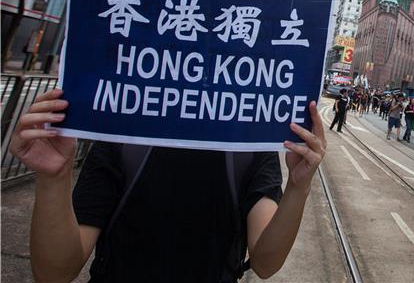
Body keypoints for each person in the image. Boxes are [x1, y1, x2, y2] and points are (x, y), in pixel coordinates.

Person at [9, 88, 326, 283]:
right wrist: (53, 178)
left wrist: (299, 188)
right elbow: (55, 272)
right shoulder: (124, 137)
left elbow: (266, 262)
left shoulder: (250, 148)